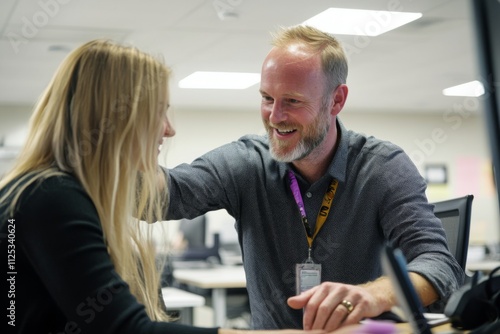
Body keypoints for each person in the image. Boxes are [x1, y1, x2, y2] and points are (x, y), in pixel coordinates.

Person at [0, 39, 323, 334]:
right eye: (158, 112)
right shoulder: (52, 198)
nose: (168, 130)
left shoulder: (37, 191)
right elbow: (125, 329)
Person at [163, 25, 465, 331]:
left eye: (292, 101)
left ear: (336, 101)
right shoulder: (246, 163)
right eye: (267, 98)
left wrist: (373, 295)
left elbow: (440, 265)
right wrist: (127, 139)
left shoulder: (382, 168)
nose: (275, 116)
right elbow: (165, 196)